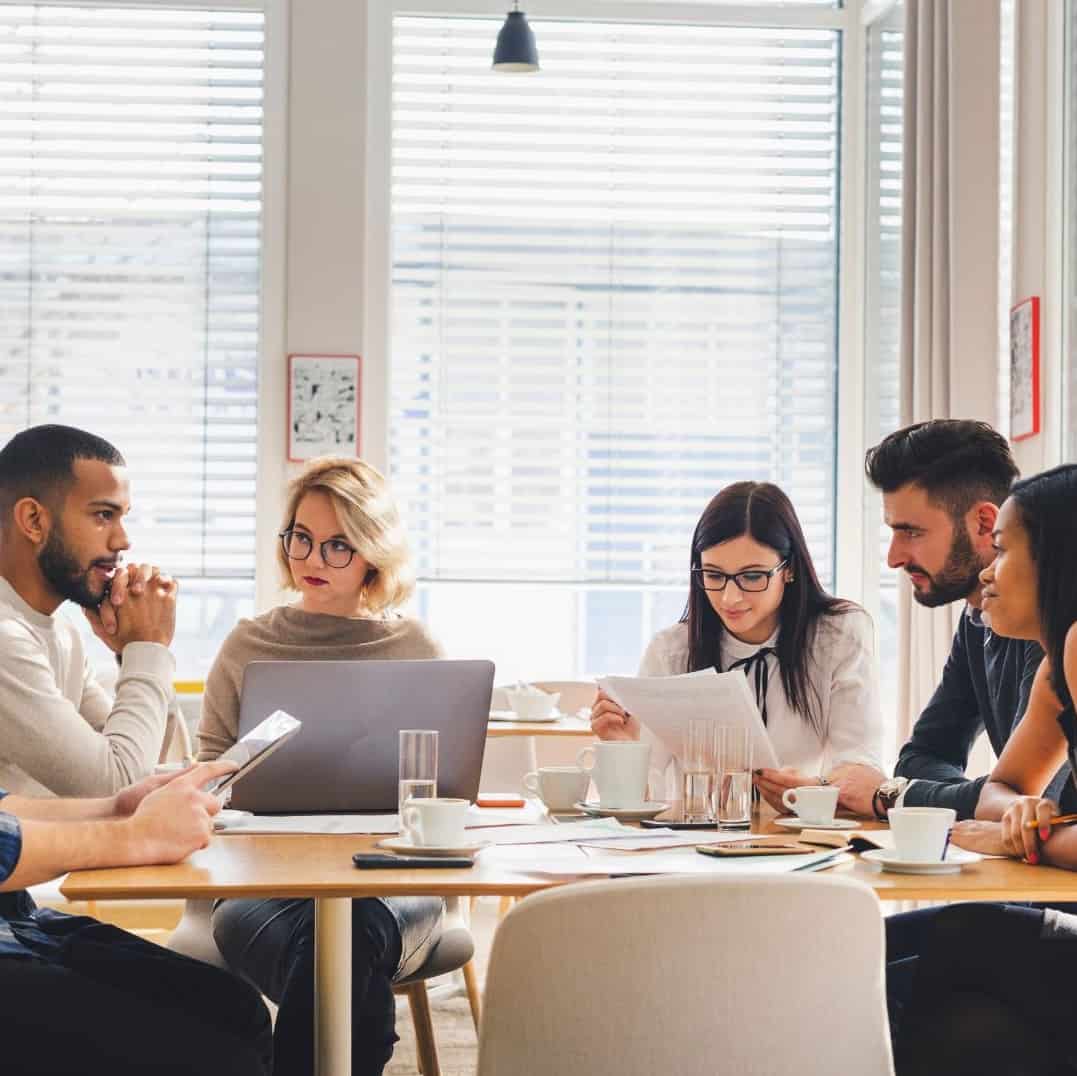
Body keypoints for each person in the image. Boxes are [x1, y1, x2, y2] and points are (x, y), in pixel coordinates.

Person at [197, 456, 444, 1076]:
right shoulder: (246, 645)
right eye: (301, 538)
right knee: (342, 966)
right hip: (263, 888)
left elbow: (445, 788)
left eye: (338, 545)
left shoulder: (416, 649)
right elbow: (204, 776)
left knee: (353, 931)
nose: (311, 559)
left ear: (372, 554)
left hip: (394, 887)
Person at [893, 464, 1077, 1075]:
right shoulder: (1060, 663)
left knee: (960, 942)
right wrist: (1020, 814)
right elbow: (1006, 785)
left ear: (1054, 558)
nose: (988, 572)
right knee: (886, 946)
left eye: (1001, 551)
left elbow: (1017, 821)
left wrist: (1024, 837)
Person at [589, 481, 883, 811]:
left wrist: (815, 789)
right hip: (695, 846)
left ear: (789, 570)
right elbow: (640, 802)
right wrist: (622, 747)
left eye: (752, 577)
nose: (730, 597)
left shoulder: (837, 635)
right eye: (714, 575)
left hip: (801, 837)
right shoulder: (672, 651)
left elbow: (862, 762)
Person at [836, 419, 1070, 821]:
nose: (893, 557)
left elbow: (1043, 806)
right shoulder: (980, 620)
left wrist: (894, 797)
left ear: (983, 523)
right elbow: (925, 758)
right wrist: (957, 799)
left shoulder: (1055, 634)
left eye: (910, 532)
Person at [0, 759, 274, 1076]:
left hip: (16, 923)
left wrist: (118, 809)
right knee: (223, 1061)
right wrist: (135, 836)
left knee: (238, 1011)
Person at [0, 424, 183, 797]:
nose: (123, 540)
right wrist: (148, 647)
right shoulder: (5, 637)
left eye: (122, 516)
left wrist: (131, 651)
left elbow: (155, 762)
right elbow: (115, 786)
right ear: (34, 521)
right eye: (103, 515)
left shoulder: (62, 634)